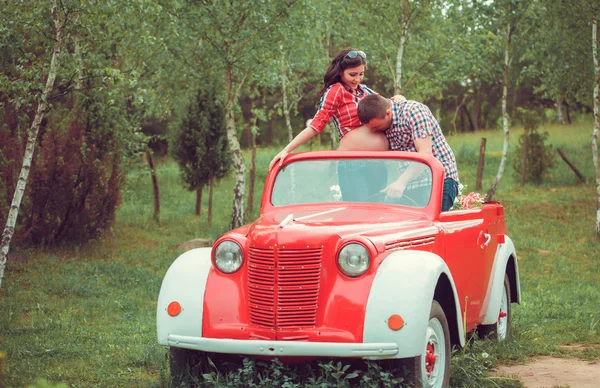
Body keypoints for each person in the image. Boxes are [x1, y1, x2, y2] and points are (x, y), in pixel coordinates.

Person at [269, 49, 401, 170]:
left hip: (378, 165)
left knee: (378, 197)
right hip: (353, 166)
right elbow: (315, 125)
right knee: (353, 197)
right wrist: (286, 150)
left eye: (361, 74)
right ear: (340, 72)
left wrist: (398, 98)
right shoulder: (336, 91)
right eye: (352, 74)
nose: (357, 79)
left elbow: (386, 107)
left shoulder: (365, 90)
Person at [354, 94, 459, 211]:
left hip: (438, 179)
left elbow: (425, 153)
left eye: (376, 126)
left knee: (431, 225)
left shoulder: (413, 111)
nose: (373, 131)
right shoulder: (379, 116)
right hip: (410, 183)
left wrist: (400, 182)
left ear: (388, 113)